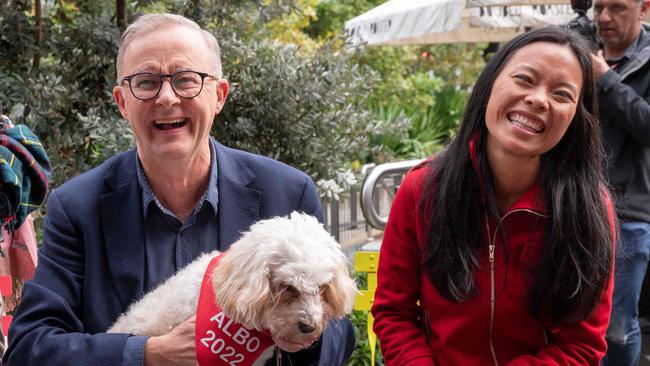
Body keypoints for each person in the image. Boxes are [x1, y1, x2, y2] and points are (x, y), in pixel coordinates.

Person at [2, 13, 354, 366]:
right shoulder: (78, 205)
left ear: (219, 95)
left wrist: (304, 334)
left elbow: (338, 334)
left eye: (187, 80)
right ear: (122, 102)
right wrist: (147, 353)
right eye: (146, 82)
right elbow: (31, 347)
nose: (167, 98)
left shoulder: (286, 191)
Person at [371, 27, 617, 365]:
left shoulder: (587, 211)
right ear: (489, 86)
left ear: (576, 117)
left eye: (562, 94)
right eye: (525, 79)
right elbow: (393, 313)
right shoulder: (422, 189)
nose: (538, 99)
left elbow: (582, 343)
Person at [590, 0, 650, 364]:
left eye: (617, 7)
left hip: (628, 212)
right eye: (599, 7)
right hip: (573, 203)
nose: (604, 17)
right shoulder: (582, 47)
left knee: (616, 325)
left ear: (643, 8)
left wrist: (607, 81)